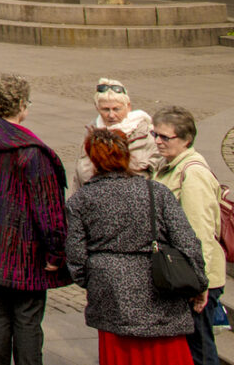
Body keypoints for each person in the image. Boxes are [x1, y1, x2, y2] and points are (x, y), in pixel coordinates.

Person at [66, 125, 208, 365]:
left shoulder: (81, 200)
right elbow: (187, 242)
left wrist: (97, 279)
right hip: (160, 291)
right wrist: (199, 283)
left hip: (110, 294)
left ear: (93, 159)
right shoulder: (156, 192)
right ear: (126, 155)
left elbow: (76, 258)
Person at [0, 74, 71, 365]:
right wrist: (57, 252)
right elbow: (50, 213)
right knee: (27, 319)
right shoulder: (31, 153)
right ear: (21, 104)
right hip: (24, 253)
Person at [149, 106, 225, 363]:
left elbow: (200, 232)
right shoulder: (167, 166)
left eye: (164, 137)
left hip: (195, 277)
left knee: (200, 350)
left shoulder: (192, 174)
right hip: (181, 273)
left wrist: (199, 282)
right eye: (155, 134)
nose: (157, 141)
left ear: (186, 139)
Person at [78, 79, 160, 185]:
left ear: (128, 106)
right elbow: (78, 174)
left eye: (116, 109)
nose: (111, 115)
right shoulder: (91, 133)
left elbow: (158, 176)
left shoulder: (146, 135)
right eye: (106, 109)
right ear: (97, 108)